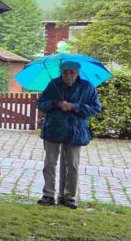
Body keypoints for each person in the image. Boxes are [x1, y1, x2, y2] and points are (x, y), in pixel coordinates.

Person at [36, 59, 101, 209]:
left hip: (75, 131)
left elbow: (95, 108)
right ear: (61, 73)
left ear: (77, 73)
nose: (68, 75)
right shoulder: (53, 85)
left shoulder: (87, 87)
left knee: (72, 165)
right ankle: (48, 194)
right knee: (49, 164)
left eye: (72, 73)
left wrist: (74, 107)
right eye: (65, 73)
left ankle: (69, 196)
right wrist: (56, 104)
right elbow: (41, 104)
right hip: (53, 129)